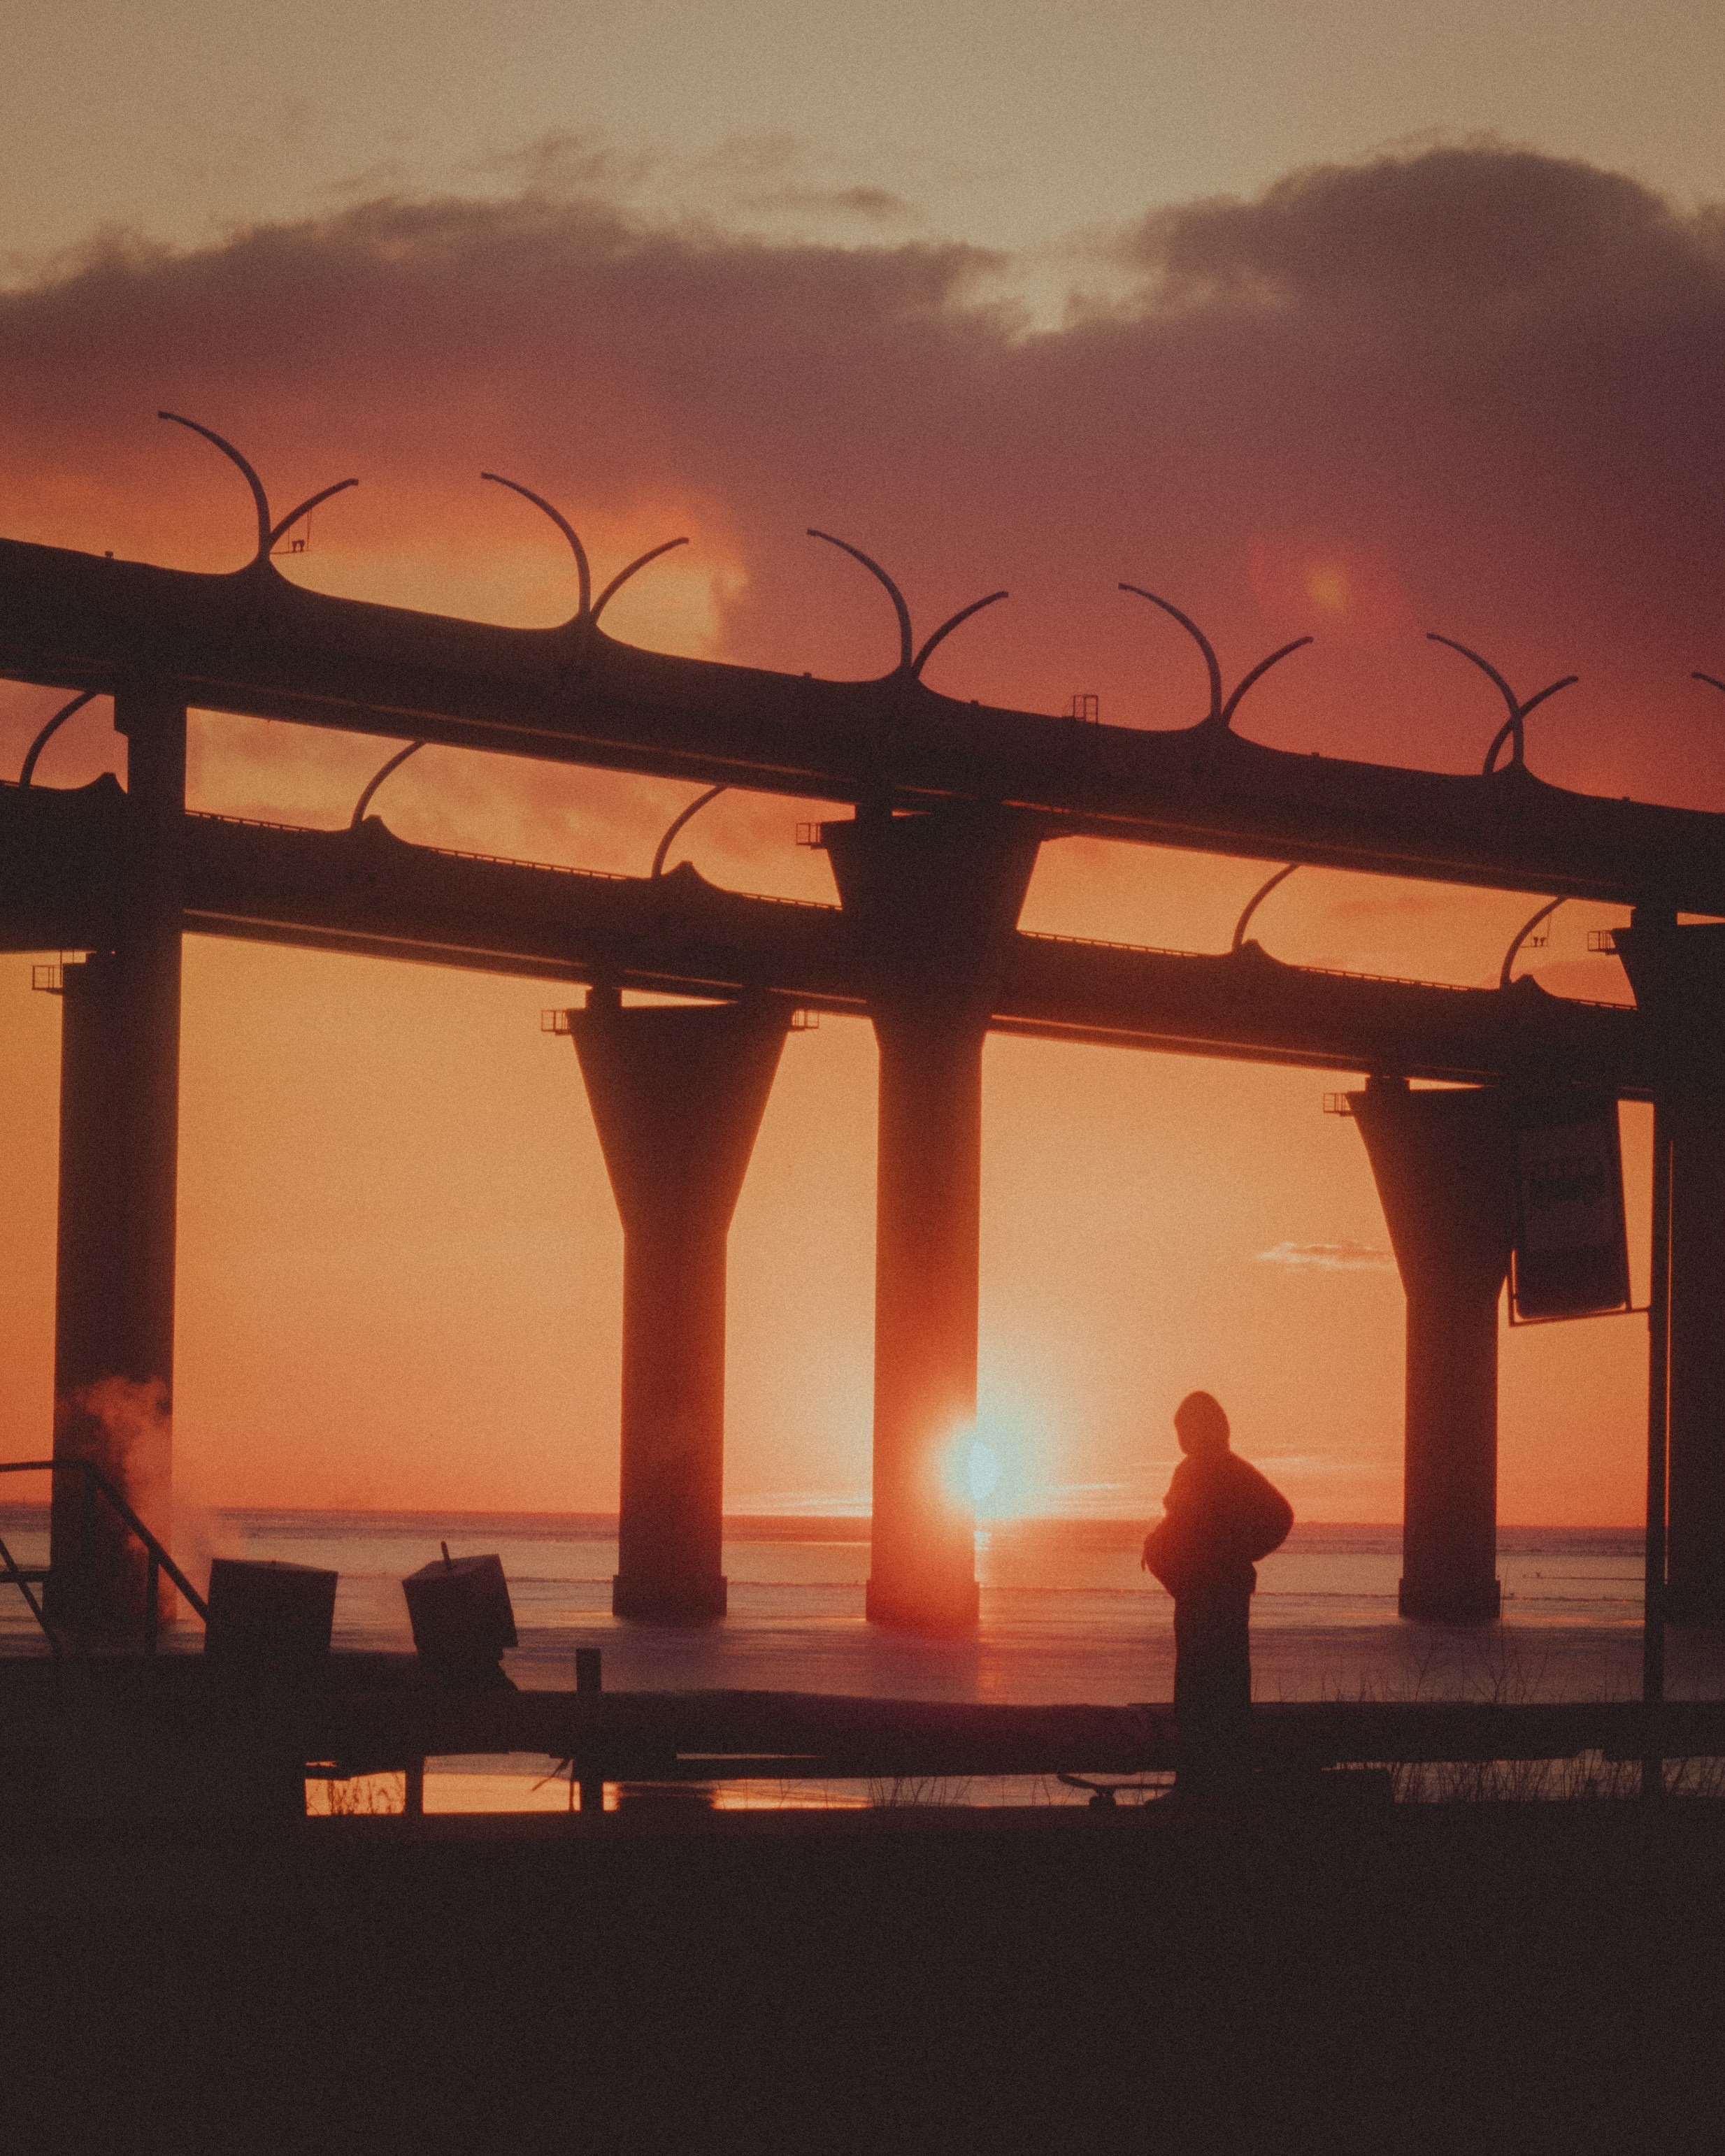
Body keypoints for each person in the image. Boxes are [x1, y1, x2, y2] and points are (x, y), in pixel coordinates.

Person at [1141, 1390, 1293, 1792]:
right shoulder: (1212, 1471)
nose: (1180, 1438)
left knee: (1205, 1686)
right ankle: (1217, 1780)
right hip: (1204, 1591)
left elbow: (1279, 1516)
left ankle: (1205, 1784)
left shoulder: (1214, 1471)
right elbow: (1180, 1522)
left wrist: (1234, 1555)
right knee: (1215, 1684)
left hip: (1211, 1595)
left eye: (1183, 1429)